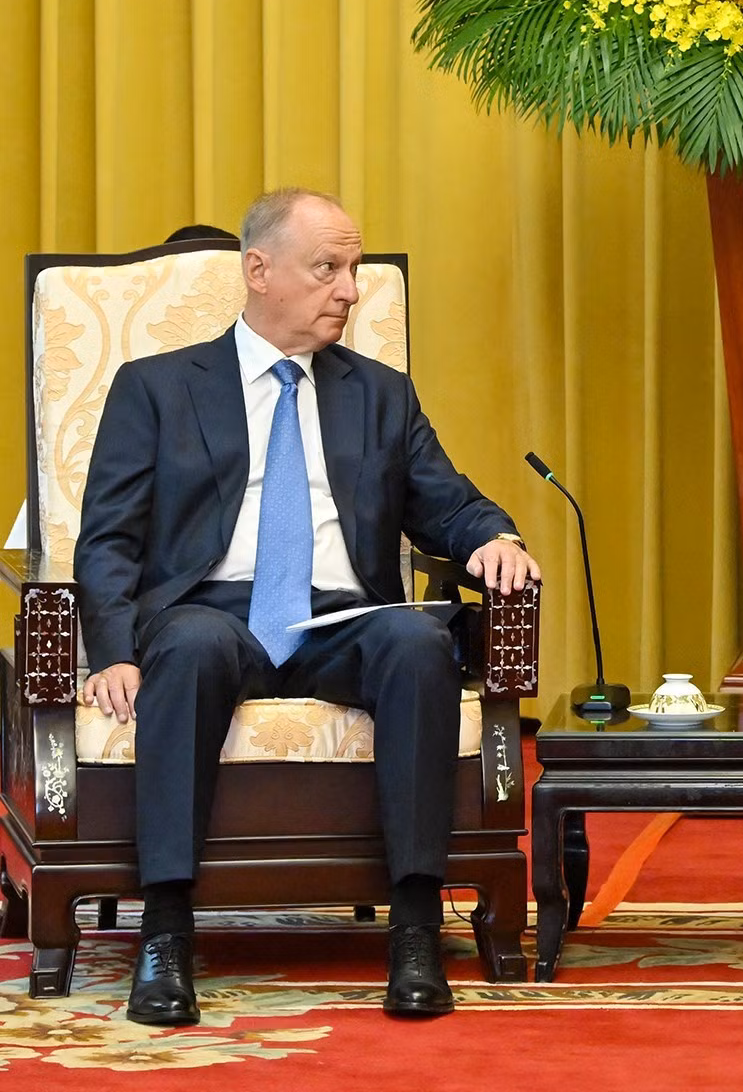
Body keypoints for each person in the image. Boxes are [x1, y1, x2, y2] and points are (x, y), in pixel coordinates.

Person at [74, 188, 541, 1026]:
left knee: (417, 642)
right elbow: (108, 537)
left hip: (338, 620)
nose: (349, 290)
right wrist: (113, 647)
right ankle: (168, 935)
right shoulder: (157, 388)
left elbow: (448, 501)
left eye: (354, 270)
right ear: (259, 272)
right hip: (211, 613)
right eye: (328, 268)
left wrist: (492, 536)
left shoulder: (379, 395)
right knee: (182, 646)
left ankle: (414, 931)